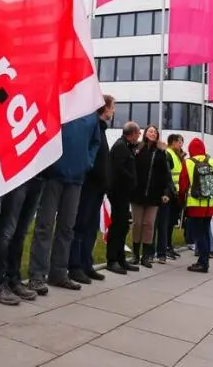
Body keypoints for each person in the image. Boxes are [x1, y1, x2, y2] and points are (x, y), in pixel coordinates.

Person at [27, 111, 100, 293]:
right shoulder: (59, 105)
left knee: (67, 227)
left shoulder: (91, 115)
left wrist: (87, 162)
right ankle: (37, 275)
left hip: (76, 179)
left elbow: (94, 142)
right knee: (45, 226)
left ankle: (58, 273)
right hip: (53, 176)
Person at [68, 95, 116, 284]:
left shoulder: (102, 129)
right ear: (105, 109)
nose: (113, 111)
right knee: (80, 226)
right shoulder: (93, 127)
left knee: (91, 227)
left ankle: (86, 264)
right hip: (88, 185)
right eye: (113, 108)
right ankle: (75, 266)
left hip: (98, 188)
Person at [0, 176, 44, 306]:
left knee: (20, 232)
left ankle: (13, 279)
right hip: (19, 174)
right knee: (7, 231)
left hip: (38, 176)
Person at [179, 138, 213, 273]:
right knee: (205, 231)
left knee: (199, 234)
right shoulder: (211, 161)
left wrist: (182, 200)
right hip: (210, 204)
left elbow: (182, 185)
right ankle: (204, 261)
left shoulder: (188, 162)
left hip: (195, 204)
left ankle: (203, 263)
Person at [129, 125, 171, 268]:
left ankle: (146, 256)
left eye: (155, 132)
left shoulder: (160, 152)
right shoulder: (138, 148)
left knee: (149, 225)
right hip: (137, 194)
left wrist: (165, 193)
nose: (153, 133)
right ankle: (135, 254)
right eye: (150, 131)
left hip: (154, 196)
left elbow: (166, 174)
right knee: (137, 224)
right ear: (145, 133)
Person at [106, 121, 141, 274]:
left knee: (124, 226)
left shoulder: (127, 146)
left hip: (124, 193)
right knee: (117, 226)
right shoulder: (120, 146)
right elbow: (118, 169)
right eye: (138, 134)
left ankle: (121, 258)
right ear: (132, 134)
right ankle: (112, 260)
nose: (139, 137)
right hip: (118, 192)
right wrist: (132, 180)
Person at [156, 134, 184, 263]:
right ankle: (165, 247)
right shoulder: (168, 154)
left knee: (172, 222)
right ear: (173, 142)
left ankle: (169, 245)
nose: (181, 145)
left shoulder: (177, 156)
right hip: (170, 193)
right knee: (166, 222)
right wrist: (171, 191)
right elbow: (168, 175)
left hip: (176, 193)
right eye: (179, 142)